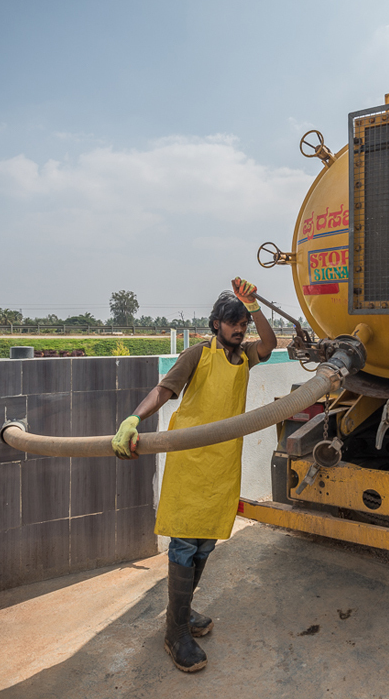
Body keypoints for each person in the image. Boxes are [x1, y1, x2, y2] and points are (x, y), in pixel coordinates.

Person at [111, 277, 276, 673]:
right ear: (216, 324)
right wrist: (134, 418)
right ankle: (175, 632)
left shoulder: (246, 356)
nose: (240, 330)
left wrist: (253, 305)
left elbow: (270, 345)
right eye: (233, 323)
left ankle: (180, 614)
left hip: (221, 463)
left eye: (244, 324)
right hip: (191, 463)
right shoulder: (198, 355)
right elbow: (163, 391)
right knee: (184, 544)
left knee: (205, 545)